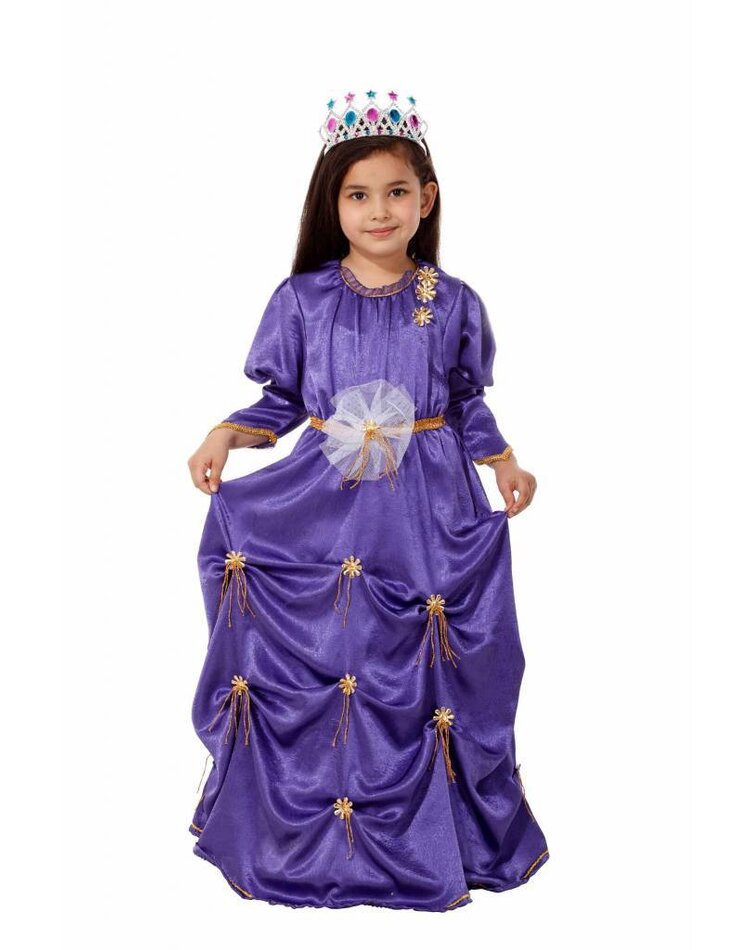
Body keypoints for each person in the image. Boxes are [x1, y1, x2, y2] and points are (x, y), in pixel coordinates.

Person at [186, 89, 549, 911]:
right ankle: (311, 835)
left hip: (425, 513)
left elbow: (465, 401)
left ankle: (439, 839)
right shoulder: (303, 300)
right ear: (333, 204)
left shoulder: (451, 300)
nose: (378, 211)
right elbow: (283, 400)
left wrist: (503, 461)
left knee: (417, 661)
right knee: (336, 653)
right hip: (327, 506)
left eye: (396, 192)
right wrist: (225, 434)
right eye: (358, 194)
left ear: (427, 199)